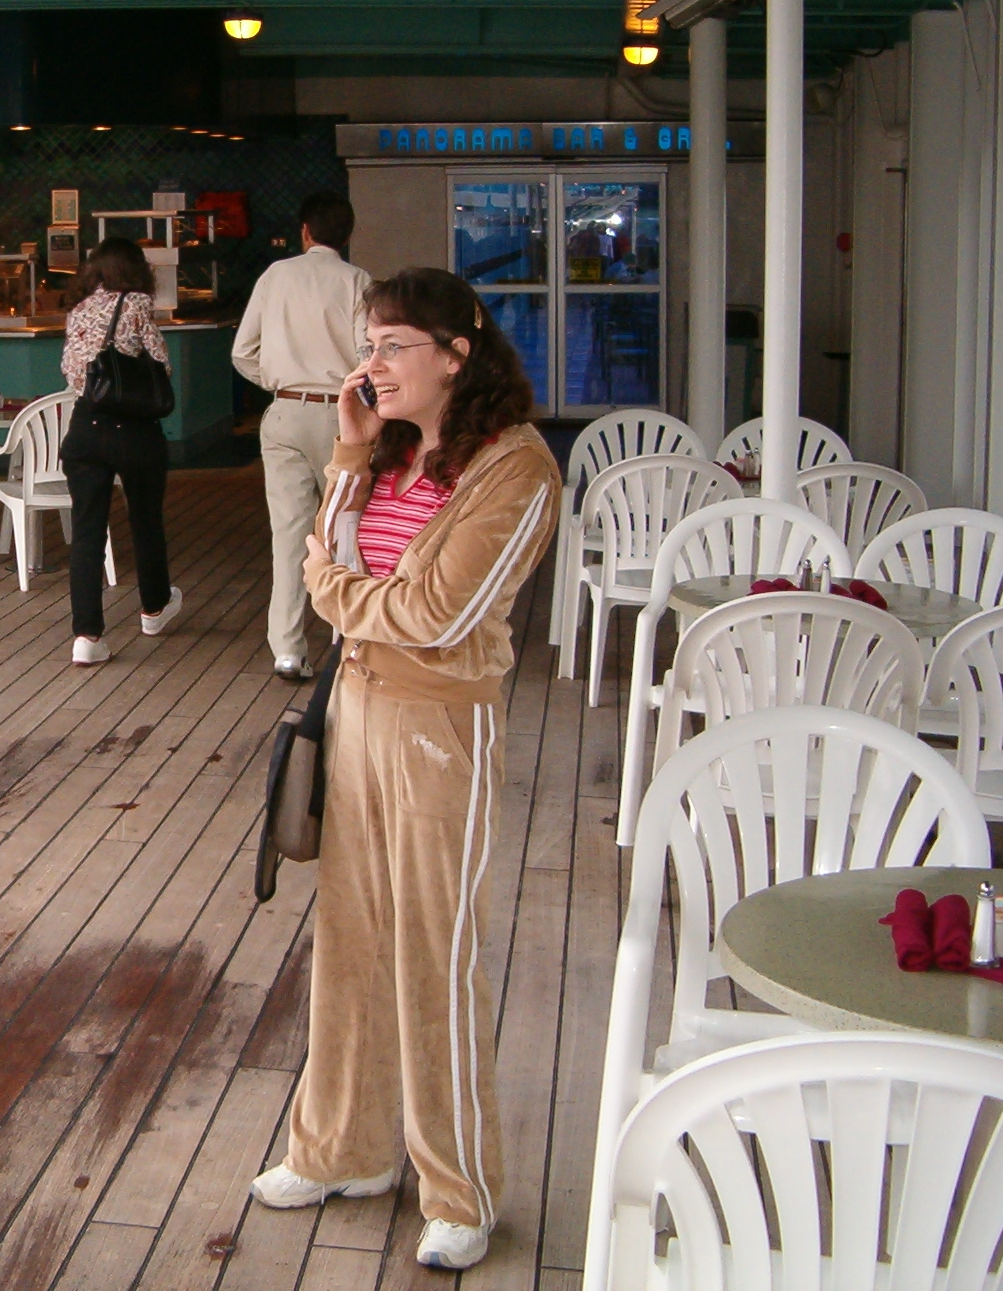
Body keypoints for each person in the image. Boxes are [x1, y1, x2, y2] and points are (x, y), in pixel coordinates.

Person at [248, 267, 558, 1273]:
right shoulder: (383, 448)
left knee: (432, 952)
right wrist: (347, 449)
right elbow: (322, 548)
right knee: (349, 942)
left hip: (438, 729)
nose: (371, 365)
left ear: (456, 356)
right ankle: (342, 1149)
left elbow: (435, 614)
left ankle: (457, 1188)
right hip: (356, 710)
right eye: (368, 346)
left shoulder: (513, 470)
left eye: (391, 347)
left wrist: (336, 588)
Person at [231, 191, 372, 682]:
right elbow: (367, 354)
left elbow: (243, 351)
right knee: (348, 529)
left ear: (305, 232)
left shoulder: (275, 275)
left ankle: (288, 650)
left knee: (290, 534)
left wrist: (279, 381)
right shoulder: (357, 280)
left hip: (285, 411)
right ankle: (350, 638)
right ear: (347, 235)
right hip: (342, 417)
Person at [59, 237, 181, 665]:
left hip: (84, 427)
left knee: (87, 531)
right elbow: (161, 363)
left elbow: (70, 369)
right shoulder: (137, 303)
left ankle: (87, 636)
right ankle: (154, 609)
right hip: (132, 429)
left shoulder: (77, 310)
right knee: (145, 519)